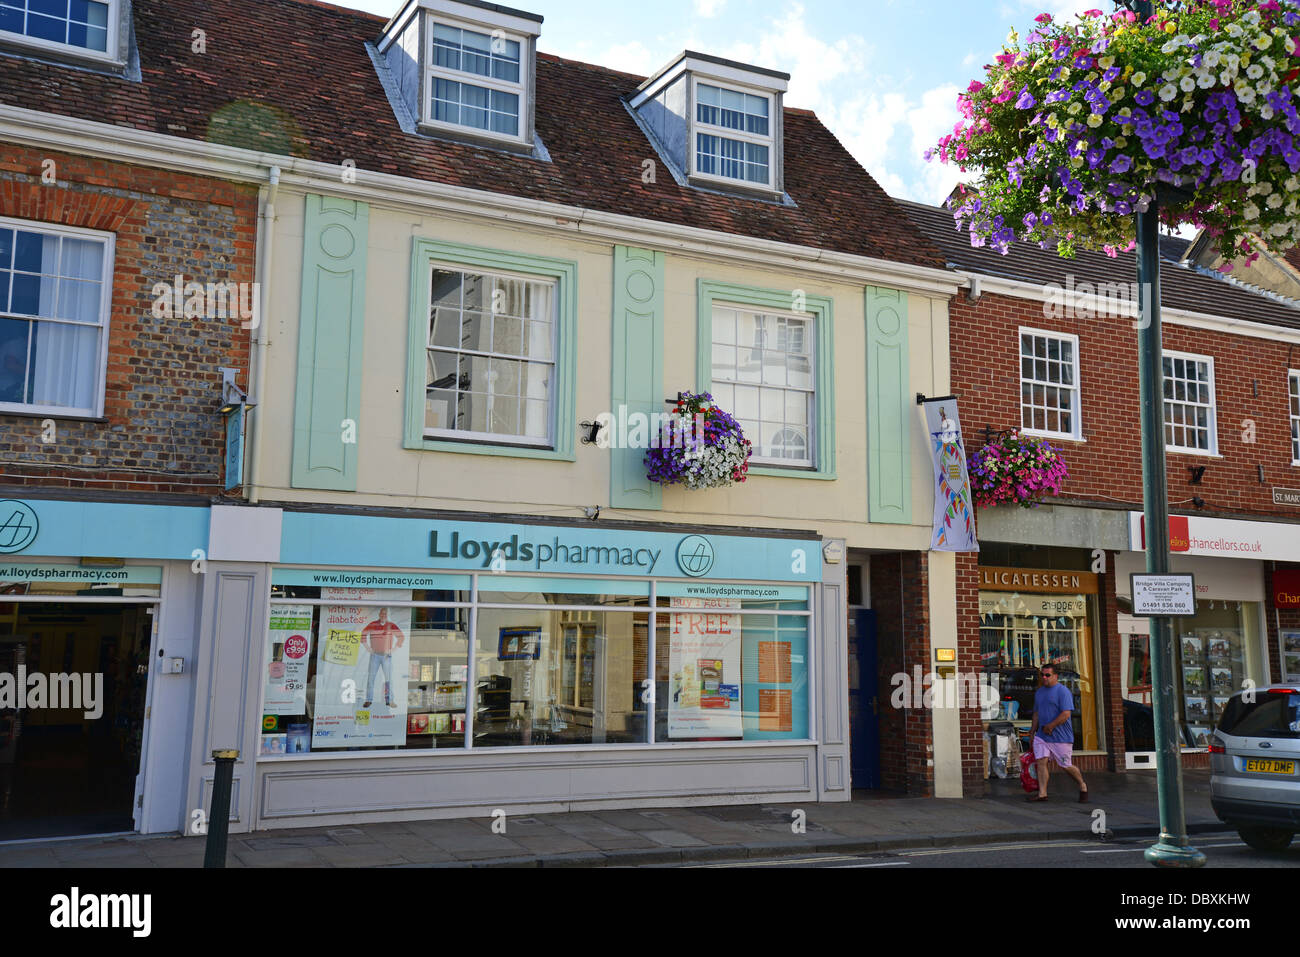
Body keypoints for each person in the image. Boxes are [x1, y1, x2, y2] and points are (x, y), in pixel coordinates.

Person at [1028, 663, 1088, 803]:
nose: (1044, 677)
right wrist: (1032, 732)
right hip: (1042, 736)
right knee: (1041, 761)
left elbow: (1066, 714)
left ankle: (1082, 785)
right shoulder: (1039, 692)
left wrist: (1051, 725)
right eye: (1042, 675)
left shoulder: (1063, 692)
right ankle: (1042, 793)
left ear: (1055, 676)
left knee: (1065, 765)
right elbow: (1036, 714)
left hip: (1061, 737)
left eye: (1047, 675)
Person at [360, 608, 405, 710]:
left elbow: (401, 636)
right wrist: (367, 648)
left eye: (385, 614)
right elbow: (363, 634)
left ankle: (390, 700)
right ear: (379, 614)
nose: (383, 615)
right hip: (375, 655)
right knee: (371, 679)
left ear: (387, 615)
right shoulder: (373, 624)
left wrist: (394, 649)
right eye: (382, 613)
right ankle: (368, 700)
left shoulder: (391, 625)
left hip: (386, 655)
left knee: (388, 679)